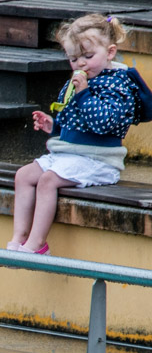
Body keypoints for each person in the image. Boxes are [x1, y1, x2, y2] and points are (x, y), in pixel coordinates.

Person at [8, 14, 138, 255]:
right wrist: (53, 126)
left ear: (110, 53)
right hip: (70, 155)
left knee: (47, 181)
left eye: (88, 57)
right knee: (23, 175)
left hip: (98, 161)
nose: (81, 64)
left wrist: (84, 94)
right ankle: (19, 237)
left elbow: (104, 123)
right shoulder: (76, 83)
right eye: (74, 58)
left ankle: (38, 244)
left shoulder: (118, 85)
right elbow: (73, 119)